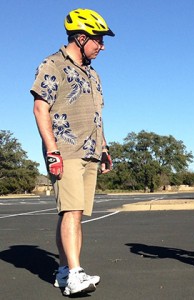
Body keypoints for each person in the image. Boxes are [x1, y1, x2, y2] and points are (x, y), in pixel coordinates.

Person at [32, 8, 114, 296]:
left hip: (90, 150)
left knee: (73, 213)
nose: (101, 46)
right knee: (72, 210)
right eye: (98, 40)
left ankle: (65, 270)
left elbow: (96, 114)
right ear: (81, 38)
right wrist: (52, 150)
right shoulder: (53, 64)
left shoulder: (93, 74)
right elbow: (40, 108)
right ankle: (75, 275)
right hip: (65, 149)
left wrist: (104, 148)